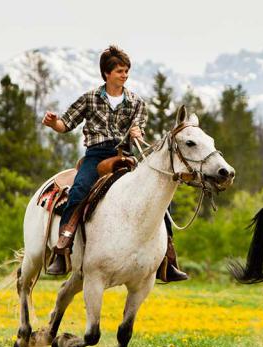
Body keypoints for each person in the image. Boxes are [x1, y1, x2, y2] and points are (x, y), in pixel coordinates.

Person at [41, 45, 188, 281]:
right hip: (96, 156)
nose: (125, 75)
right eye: (120, 71)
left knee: (159, 196)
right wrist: (52, 123)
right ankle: (62, 248)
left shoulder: (136, 102)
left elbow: (138, 126)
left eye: (127, 71)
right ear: (107, 73)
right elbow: (65, 125)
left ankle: (167, 259)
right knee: (78, 191)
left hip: (125, 157)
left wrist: (137, 132)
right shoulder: (89, 98)